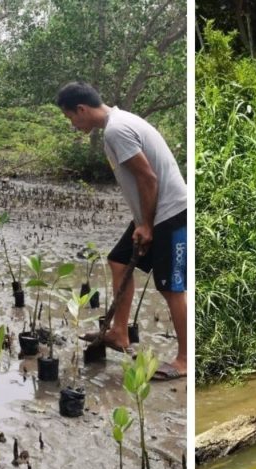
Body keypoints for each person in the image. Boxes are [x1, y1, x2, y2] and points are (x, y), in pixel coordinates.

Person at [55, 81, 187, 380]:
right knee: (118, 260)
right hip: (154, 212)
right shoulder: (116, 126)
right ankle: (118, 332)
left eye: (71, 118)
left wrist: (146, 225)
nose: (73, 125)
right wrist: (142, 221)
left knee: (171, 287)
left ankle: (184, 360)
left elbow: (148, 178)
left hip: (171, 213)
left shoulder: (117, 130)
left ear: (82, 109)